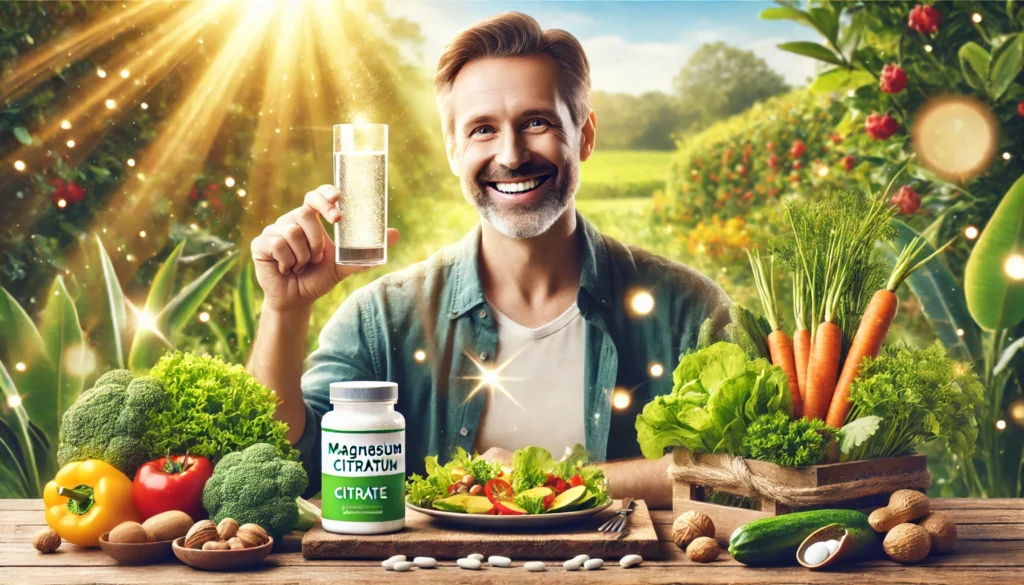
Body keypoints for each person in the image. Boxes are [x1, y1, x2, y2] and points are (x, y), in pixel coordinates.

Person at [247, 12, 729, 507]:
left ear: (584, 135)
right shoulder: (382, 321)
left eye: (536, 122)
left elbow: (750, 470)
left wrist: (552, 482)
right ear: (453, 150)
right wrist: (285, 310)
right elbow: (286, 465)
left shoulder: (686, 312)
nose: (512, 154)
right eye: (482, 129)